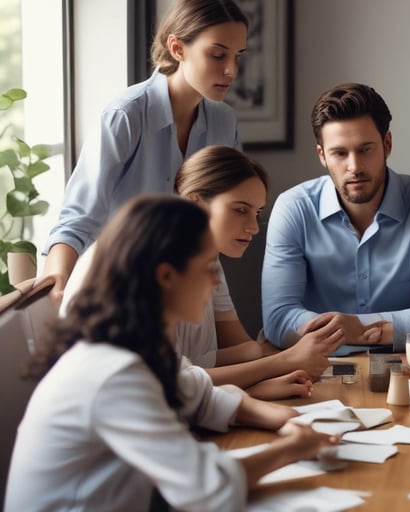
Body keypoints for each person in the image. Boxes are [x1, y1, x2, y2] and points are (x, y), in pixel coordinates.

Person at [5, 196, 337, 511]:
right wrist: (293, 448)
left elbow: (196, 393)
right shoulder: (112, 374)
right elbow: (207, 489)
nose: (214, 282)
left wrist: (282, 418)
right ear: (166, 276)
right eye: (207, 267)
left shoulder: (131, 346)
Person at [59, 146, 345, 399]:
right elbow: (169, 381)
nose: (254, 227)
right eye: (240, 210)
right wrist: (283, 362)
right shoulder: (148, 261)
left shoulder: (205, 259)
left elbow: (210, 358)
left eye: (257, 213)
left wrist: (288, 350)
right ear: (196, 202)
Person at [42, 0, 248, 303]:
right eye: (218, 55)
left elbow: (229, 207)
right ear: (177, 48)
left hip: (184, 283)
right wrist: (57, 282)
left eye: (237, 56)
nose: (231, 71)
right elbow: (79, 217)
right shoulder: (126, 115)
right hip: (114, 291)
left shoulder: (223, 120)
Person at [262, 83, 410, 352]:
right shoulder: (293, 209)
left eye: (365, 149)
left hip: (409, 370)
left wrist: (361, 329)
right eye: (340, 153)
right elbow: (278, 320)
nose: (355, 167)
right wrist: (366, 330)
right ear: (322, 156)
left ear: (387, 144)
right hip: (319, 372)